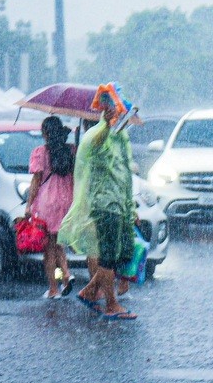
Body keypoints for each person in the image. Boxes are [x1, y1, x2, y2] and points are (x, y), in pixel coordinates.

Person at [58, 107, 137, 320]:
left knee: (120, 254)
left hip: (117, 205)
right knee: (109, 256)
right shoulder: (98, 139)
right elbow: (101, 155)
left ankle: (90, 291)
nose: (123, 120)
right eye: (120, 115)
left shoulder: (116, 138)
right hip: (106, 206)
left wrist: (131, 208)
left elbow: (124, 176)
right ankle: (111, 304)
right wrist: (107, 123)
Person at [26, 116, 76, 299]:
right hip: (67, 200)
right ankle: (65, 277)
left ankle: (54, 288)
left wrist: (28, 205)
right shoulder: (71, 151)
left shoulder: (41, 152)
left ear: (45, 133)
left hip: (47, 202)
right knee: (58, 244)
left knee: (49, 249)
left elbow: (36, 180)